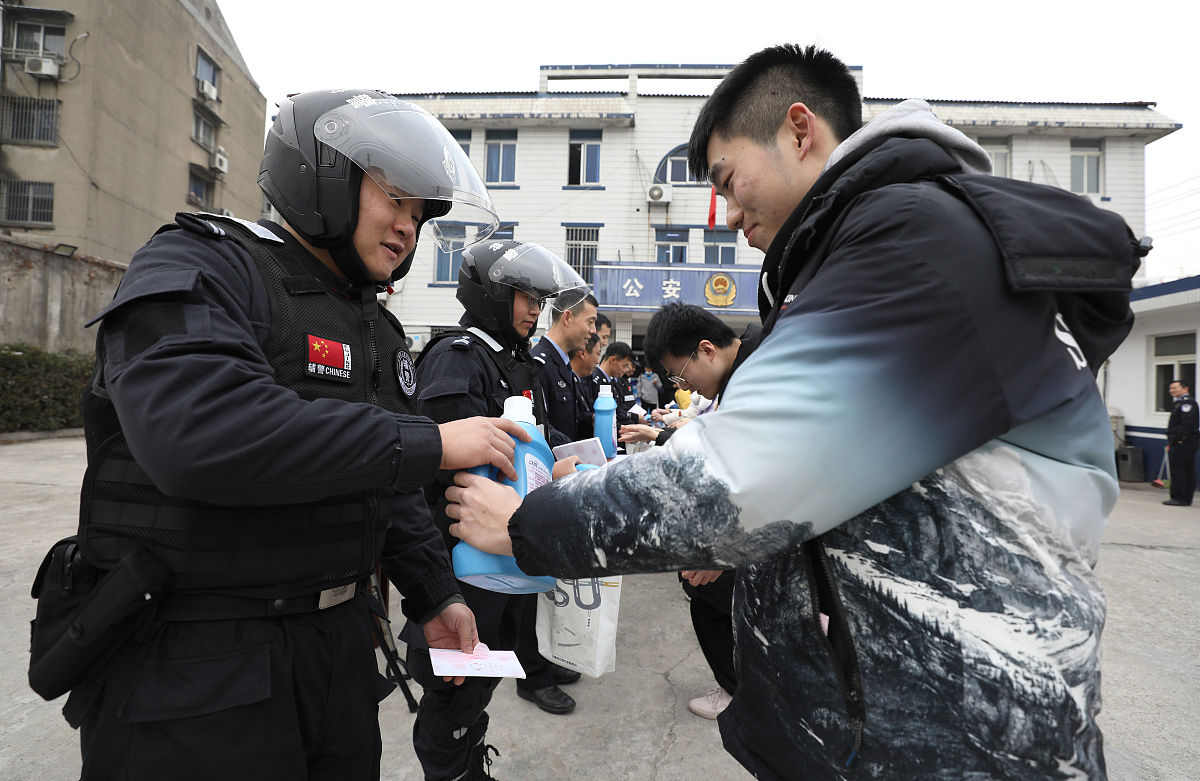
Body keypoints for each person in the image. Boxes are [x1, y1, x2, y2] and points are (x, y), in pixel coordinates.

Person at [443, 44, 1146, 780]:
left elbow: (736, 482)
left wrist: (529, 523)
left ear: (798, 130)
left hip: (957, 740)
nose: (726, 210)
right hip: (907, 724)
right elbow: (802, 459)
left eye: (727, 179)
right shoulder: (870, 248)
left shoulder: (908, 240)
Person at [59, 89, 529, 780]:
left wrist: (435, 594)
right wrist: (433, 443)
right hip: (195, 660)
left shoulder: (373, 324)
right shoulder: (205, 264)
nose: (408, 226)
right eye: (395, 197)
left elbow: (384, 482)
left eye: (421, 214)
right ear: (322, 175)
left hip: (338, 647)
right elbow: (199, 433)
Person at [404, 241, 589, 779]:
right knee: (452, 689)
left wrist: (564, 455)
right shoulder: (457, 356)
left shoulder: (512, 359)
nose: (536, 308)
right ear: (490, 294)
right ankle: (452, 768)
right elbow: (450, 467)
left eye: (539, 298)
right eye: (525, 296)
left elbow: (535, 432)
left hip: (503, 553)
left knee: (483, 677)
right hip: (459, 560)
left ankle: (465, 759)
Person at [620, 302, 761, 720]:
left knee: (709, 595)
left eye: (681, 375)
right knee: (703, 594)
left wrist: (725, 547)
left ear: (706, 349)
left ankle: (743, 692)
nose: (690, 389)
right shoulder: (745, 372)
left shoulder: (761, 377)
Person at [529, 294, 598, 442]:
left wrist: (592, 419)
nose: (593, 331)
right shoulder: (537, 365)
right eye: (590, 322)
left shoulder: (568, 369)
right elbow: (539, 428)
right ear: (567, 318)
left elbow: (571, 421)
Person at [1164, 379, 1199, 506]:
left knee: (1181, 470)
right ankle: (1181, 497)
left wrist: (1179, 439)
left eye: (1175, 388)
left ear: (1185, 389)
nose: (1172, 391)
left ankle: (1180, 498)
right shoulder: (1179, 403)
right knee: (1181, 469)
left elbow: (1187, 424)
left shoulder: (1187, 403)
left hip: (1184, 442)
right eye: (1170, 388)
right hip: (1181, 442)